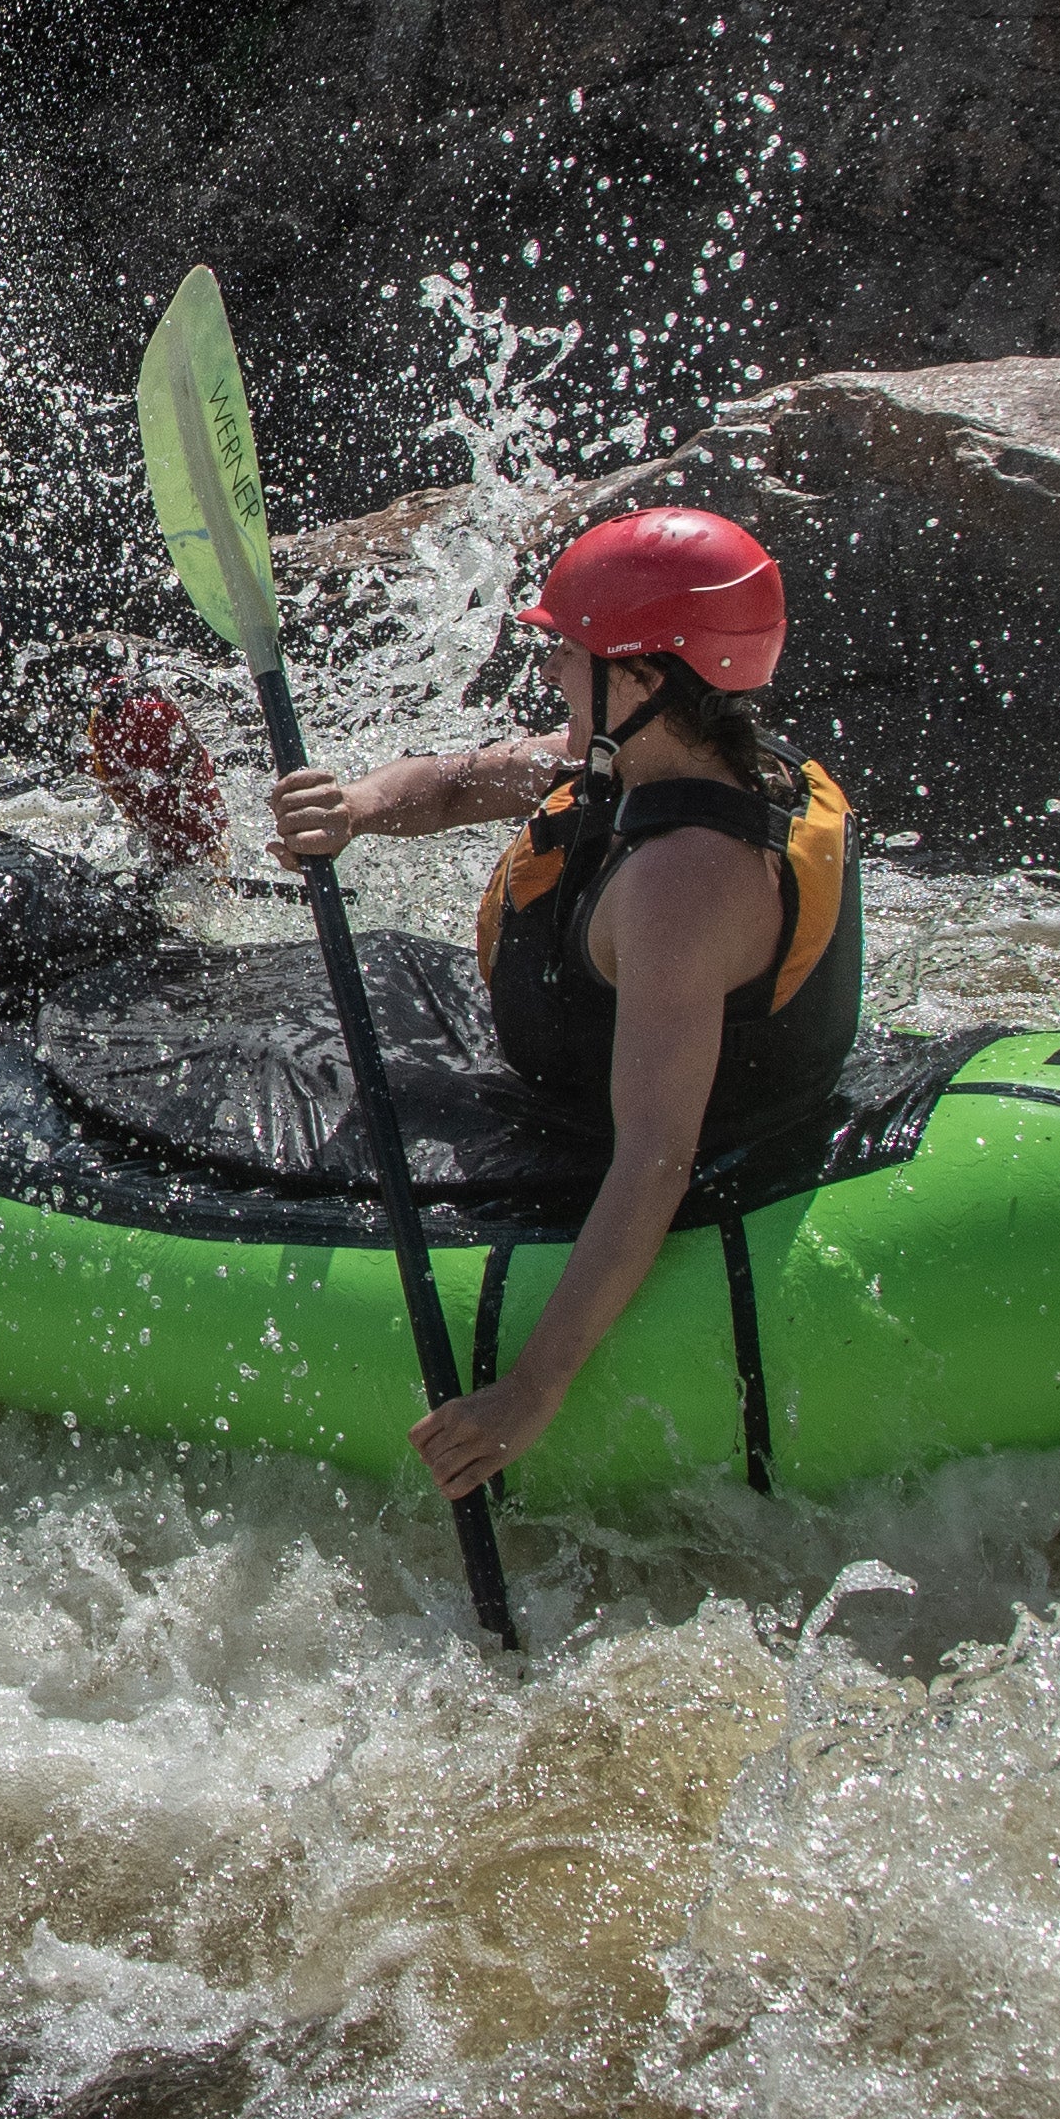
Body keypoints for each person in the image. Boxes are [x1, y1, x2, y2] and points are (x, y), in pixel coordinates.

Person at [263, 506, 860, 1497]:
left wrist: (530, 1392)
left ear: (641, 678)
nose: (548, 671)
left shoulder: (682, 888)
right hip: (593, 1065)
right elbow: (461, 784)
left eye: (569, 654)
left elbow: (657, 1159)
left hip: (676, 1153)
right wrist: (357, 807)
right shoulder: (692, 751)